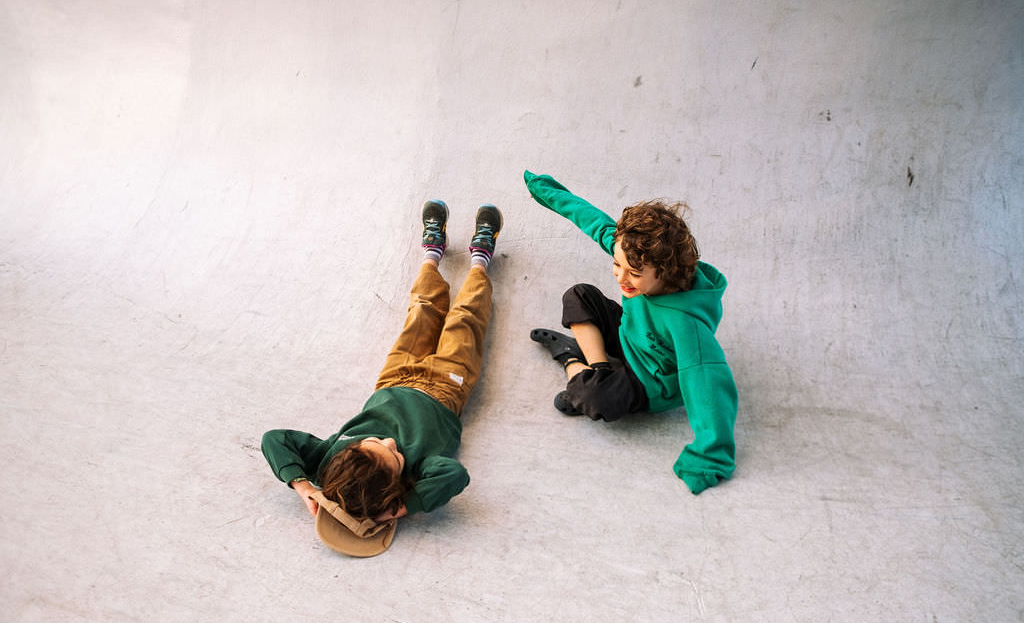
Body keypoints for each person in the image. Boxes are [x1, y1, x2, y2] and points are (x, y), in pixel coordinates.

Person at [261, 201, 502, 556]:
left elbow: (274, 439)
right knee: (465, 319)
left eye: (373, 442)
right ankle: (481, 258)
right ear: (397, 487)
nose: (390, 442)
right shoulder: (416, 473)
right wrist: (405, 506)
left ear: (349, 452)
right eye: (395, 457)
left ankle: (432, 253)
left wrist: (303, 486)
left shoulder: (330, 460)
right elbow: (455, 476)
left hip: (395, 376)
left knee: (422, 310)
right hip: (445, 389)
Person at [523, 170, 737, 495]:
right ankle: (598, 367)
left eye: (633, 273)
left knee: (593, 397)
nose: (620, 277)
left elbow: (707, 382)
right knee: (579, 295)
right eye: (616, 264)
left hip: (648, 383)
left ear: (666, 272)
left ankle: (571, 359)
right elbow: (594, 222)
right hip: (629, 337)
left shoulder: (685, 322)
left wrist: (710, 456)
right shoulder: (634, 252)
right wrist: (548, 193)